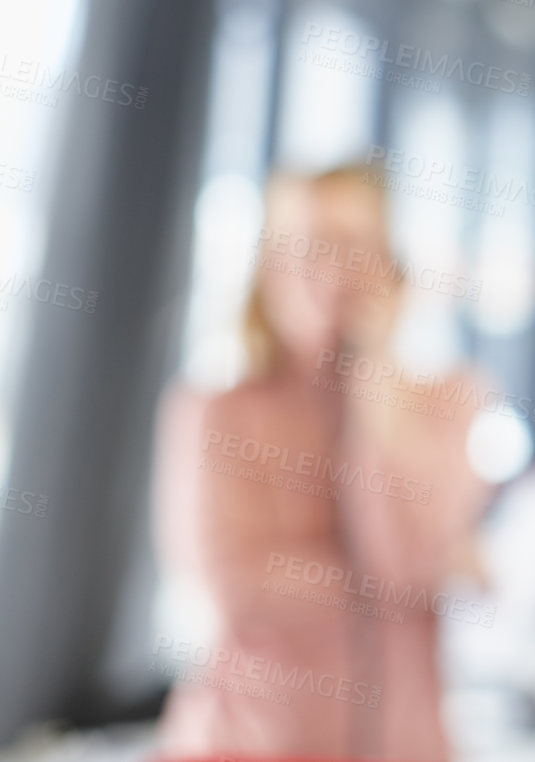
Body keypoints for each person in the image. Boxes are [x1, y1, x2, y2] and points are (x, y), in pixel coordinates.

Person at [153, 166, 492, 760]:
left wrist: (376, 393)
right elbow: (234, 583)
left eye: (354, 247)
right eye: (306, 247)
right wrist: (405, 587)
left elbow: (408, 553)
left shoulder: (450, 401)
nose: (331, 271)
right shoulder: (214, 412)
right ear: (268, 267)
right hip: (244, 744)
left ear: (393, 267)